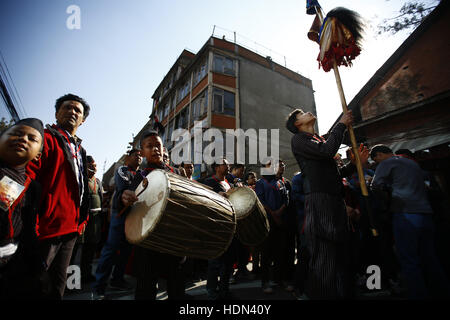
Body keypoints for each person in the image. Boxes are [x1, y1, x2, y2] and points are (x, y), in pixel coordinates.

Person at [286, 108, 367, 299]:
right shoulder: (300, 140)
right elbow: (327, 151)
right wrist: (341, 124)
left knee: (341, 257)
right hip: (319, 200)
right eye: (302, 114)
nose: (307, 112)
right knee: (324, 260)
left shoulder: (318, 140)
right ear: (298, 124)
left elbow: (335, 174)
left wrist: (355, 165)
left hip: (335, 200)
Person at [27, 94, 91, 299]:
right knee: (34, 285)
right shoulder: (44, 138)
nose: (72, 112)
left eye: (77, 111)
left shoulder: (80, 150)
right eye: (67, 107)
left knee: (57, 287)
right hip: (44, 229)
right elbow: (26, 175)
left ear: (83, 120)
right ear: (56, 113)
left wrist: (82, 220)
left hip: (71, 230)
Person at [370, 144, 450, 299]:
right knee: (429, 257)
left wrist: (387, 200)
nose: (377, 163)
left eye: (376, 160)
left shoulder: (387, 163)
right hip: (425, 213)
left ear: (379, 155)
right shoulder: (412, 163)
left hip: (406, 214)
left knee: (409, 261)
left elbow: (375, 186)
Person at [122, 131, 186, 300]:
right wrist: (124, 198)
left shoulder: (177, 173)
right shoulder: (140, 177)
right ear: (142, 153)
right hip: (149, 241)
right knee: (146, 287)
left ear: (163, 148)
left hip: (175, 239)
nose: (155, 149)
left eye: (157, 145)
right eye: (149, 146)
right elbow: (126, 207)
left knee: (177, 286)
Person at [0, 118, 50, 299]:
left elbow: (28, 230)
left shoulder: (32, 187)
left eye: (32, 138)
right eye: (16, 133)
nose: (23, 139)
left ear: (38, 154)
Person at [92, 148, 142, 299]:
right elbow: (124, 188)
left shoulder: (142, 174)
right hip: (119, 215)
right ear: (129, 157)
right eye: (136, 155)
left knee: (126, 250)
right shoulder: (122, 170)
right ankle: (99, 285)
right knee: (111, 249)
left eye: (140, 156)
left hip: (133, 216)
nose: (139, 158)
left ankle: (117, 280)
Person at [203, 159, 237, 300]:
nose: (228, 166)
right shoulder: (209, 183)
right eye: (225, 164)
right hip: (215, 228)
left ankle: (224, 290)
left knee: (228, 262)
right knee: (215, 262)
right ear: (216, 167)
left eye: (228, 164)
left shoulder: (228, 182)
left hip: (229, 226)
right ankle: (211, 290)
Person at [255, 159, 289, 294]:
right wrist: (273, 215)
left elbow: (286, 199)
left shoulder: (280, 182)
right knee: (266, 254)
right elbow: (260, 201)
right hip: (267, 223)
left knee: (280, 252)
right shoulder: (260, 183)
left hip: (281, 222)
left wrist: (280, 212)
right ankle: (265, 282)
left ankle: (279, 280)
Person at [78, 156, 104, 283]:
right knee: (76, 252)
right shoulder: (81, 180)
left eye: (95, 165)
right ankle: (72, 281)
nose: (94, 168)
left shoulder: (98, 182)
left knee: (90, 250)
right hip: (83, 219)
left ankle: (86, 275)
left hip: (96, 221)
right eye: (91, 165)